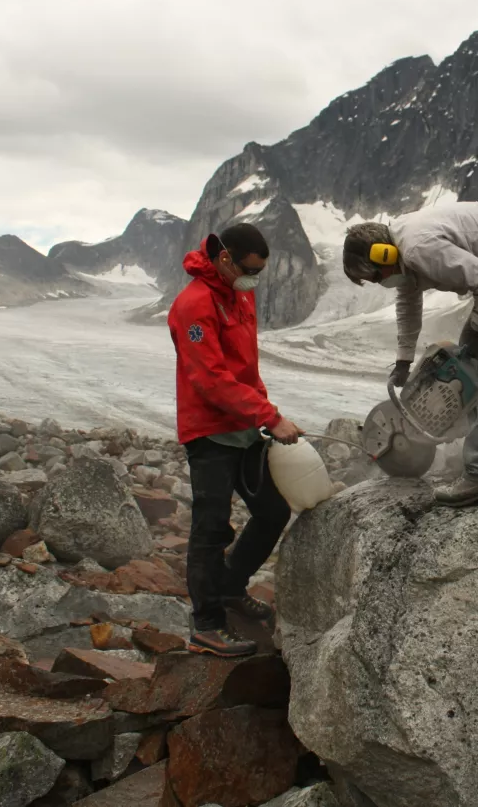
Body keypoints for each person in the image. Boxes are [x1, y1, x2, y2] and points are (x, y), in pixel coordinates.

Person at [342, 202, 478, 507]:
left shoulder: (416, 248)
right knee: (467, 363)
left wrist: (477, 327)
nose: (380, 283)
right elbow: (408, 305)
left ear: (383, 253)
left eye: (375, 276)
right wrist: (403, 360)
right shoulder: (406, 253)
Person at [168, 223, 304, 657]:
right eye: (249, 270)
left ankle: (229, 586)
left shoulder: (240, 292)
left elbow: (245, 366)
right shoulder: (193, 305)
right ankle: (206, 626)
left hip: (244, 426)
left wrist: (261, 410)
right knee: (210, 527)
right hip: (209, 431)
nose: (254, 280)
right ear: (225, 258)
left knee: (272, 510)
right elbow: (209, 379)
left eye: (259, 272)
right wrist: (270, 415)